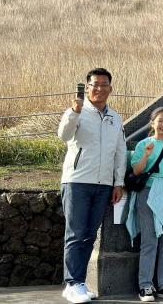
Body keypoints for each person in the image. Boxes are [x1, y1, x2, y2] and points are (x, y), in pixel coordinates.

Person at [58, 68, 126, 304]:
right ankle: (71, 283)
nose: (99, 89)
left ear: (110, 88)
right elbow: (63, 136)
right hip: (77, 181)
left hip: (104, 184)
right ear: (86, 87)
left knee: (88, 235)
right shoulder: (77, 112)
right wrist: (73, 113)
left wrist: (118, 182)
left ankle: (79, 282)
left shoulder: (115, 117)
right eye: (94, 84)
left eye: (103, 84)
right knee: (75, 234)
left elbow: (120, 151)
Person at [126, 107, 163, 302]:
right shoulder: (144, 144)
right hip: (148, 193)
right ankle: (145, 286)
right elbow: (136, 170)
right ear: (152, 123)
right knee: (149, 241)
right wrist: (146, 155)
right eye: (160, 120)